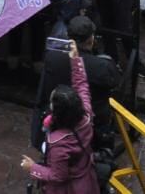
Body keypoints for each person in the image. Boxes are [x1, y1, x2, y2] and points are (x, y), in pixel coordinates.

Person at [20, 39, 100, 194]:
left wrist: (33, 168)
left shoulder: (59, 142)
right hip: (86, 178)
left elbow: (58, 176)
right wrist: (75, 59)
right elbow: (81, 85)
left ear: (57, 112)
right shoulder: (86, 115)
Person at [35, 15, 121, 147]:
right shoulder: (101, 66)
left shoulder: (52, 57)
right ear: (91, 39)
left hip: (58, 118)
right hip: (89, 126)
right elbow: (114, 81)